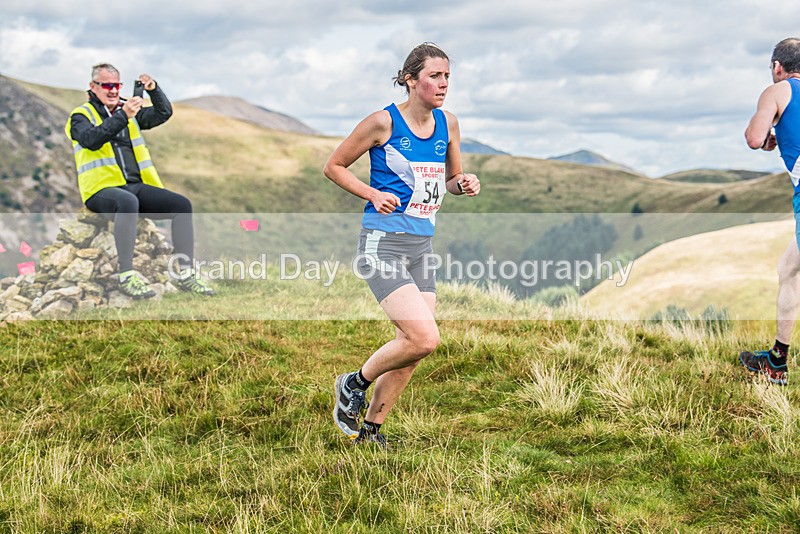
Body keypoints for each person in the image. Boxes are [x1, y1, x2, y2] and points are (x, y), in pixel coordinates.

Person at [324, 43, 480, 447]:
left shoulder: (449, 124)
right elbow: (334, 166)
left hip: (421, 246)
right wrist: (371, 194)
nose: (443, 84)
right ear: (411, 80)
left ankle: (371, 433)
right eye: (434, 76)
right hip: (382, 245)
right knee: (424, 338)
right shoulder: (383, 122)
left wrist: (463, 184)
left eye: (447, 76)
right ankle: (352, 383)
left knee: (413, 348)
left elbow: (448, 181)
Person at [65, 63, 214, 299]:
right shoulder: (80, 116)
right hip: (101, 190)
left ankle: (186, 274)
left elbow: (162, 113)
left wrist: (153, 90)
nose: (113, 90)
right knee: (127, 201)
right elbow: (91, 140)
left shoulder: (128, 110)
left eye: (117, 85)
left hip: (135, 186)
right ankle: (127, 275)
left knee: (182, 205)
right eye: (107, 85)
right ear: (93, 87)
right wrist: (124, 116)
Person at [739, 38, 800, 386]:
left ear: (778, 66)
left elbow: (753, 137)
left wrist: (765, 138)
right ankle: (777, 361)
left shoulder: (776, 92)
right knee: (788, 268)